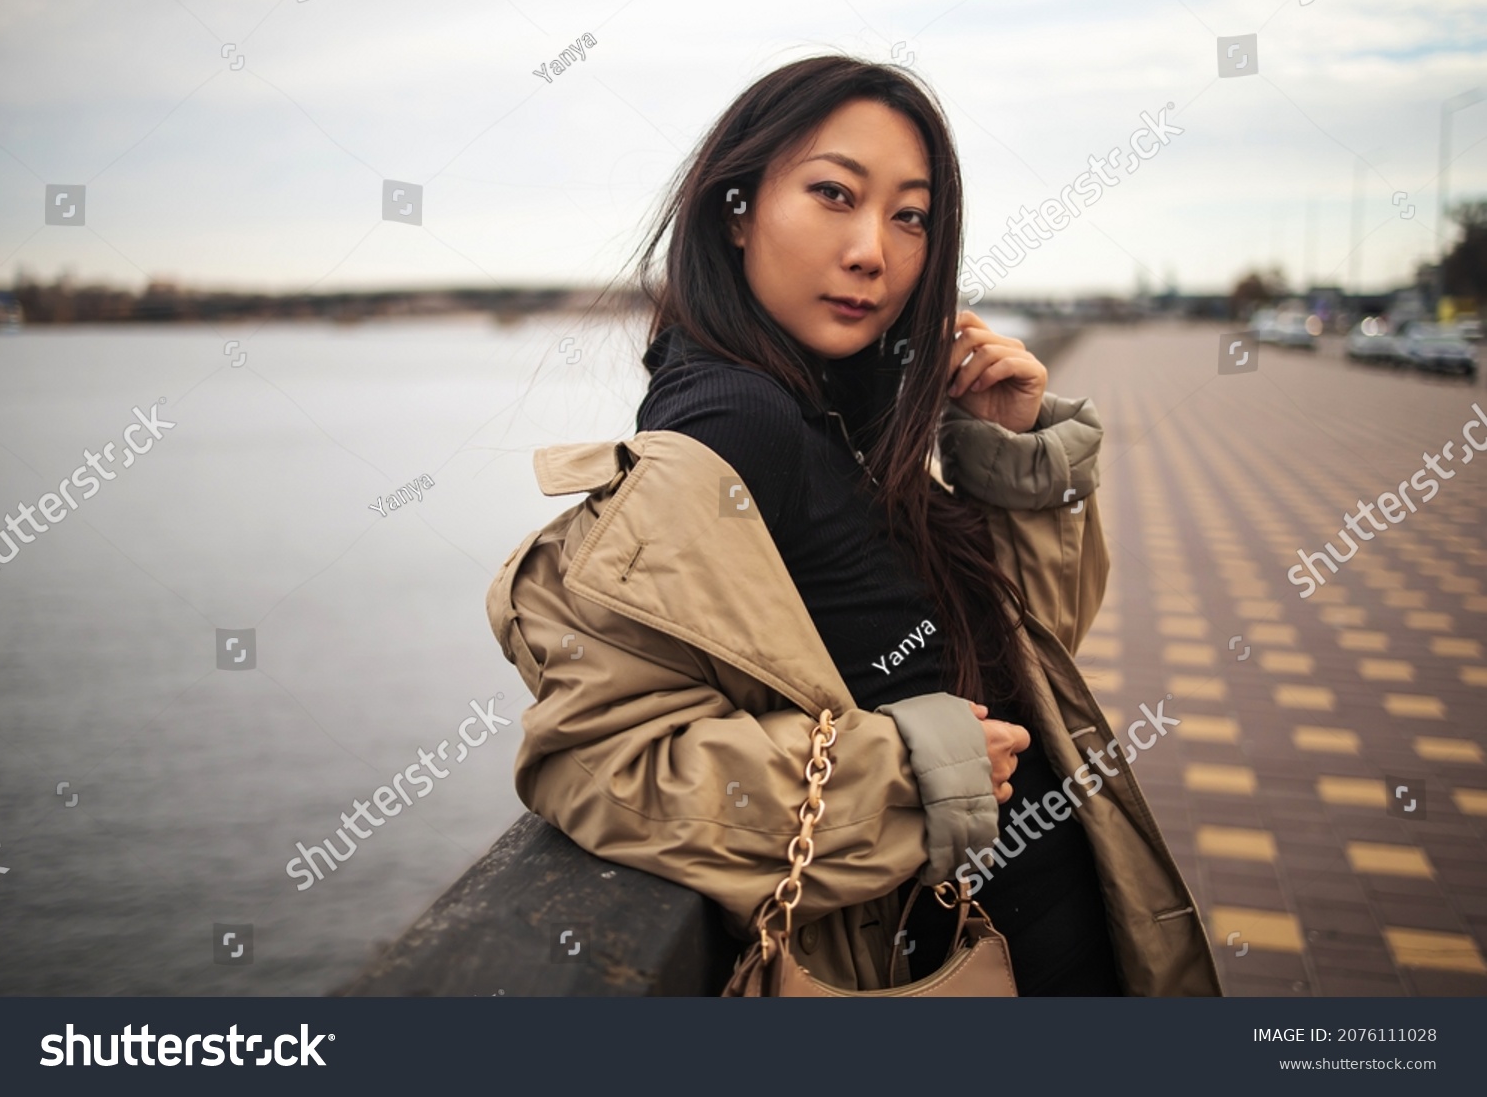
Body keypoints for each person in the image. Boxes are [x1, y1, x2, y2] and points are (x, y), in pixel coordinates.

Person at [487, 54, 1220, 995]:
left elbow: (1026, 656)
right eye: (834, 194)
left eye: (910, 215)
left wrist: (1009, 452)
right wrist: (914, 772)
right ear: (735, 207)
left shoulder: (843, 407)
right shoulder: (731, 425)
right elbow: (601, 766)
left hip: (1053, 929)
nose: (875, 249)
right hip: (949, 964)